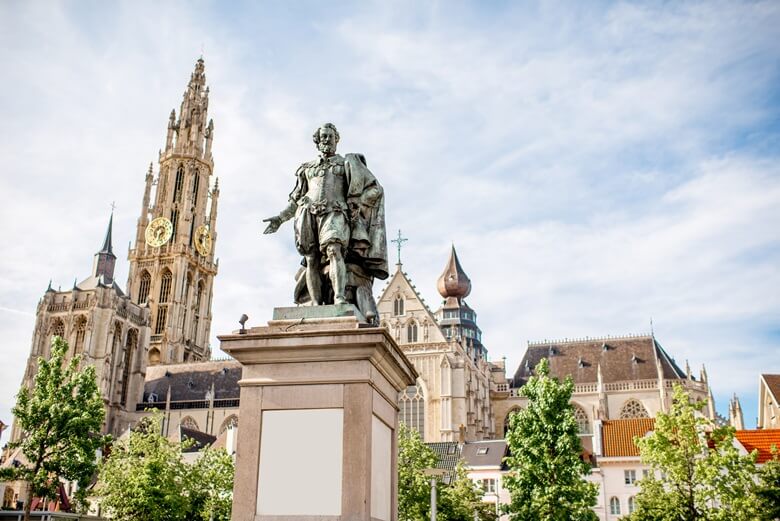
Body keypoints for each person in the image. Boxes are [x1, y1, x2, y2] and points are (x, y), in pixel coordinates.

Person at [263, 123, 388, 321]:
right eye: (323, 137)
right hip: (307, 213)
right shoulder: (306, 169)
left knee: (334, 250)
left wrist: (358, 203)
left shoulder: (347, 164)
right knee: (311, 259)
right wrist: (280, 218)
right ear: (317, 141)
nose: (327, 140)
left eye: (330, 136)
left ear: (337, 139)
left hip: (335, 211)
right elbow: (295, 200)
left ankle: (339, 298)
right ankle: (315, 302)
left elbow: (376, 189)